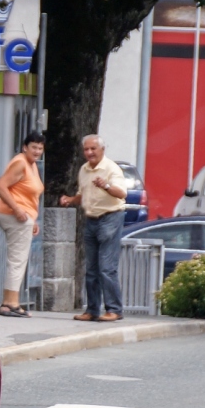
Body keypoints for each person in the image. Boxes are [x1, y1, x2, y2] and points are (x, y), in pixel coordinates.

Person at [59, 134, 128, 322]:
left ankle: (114, 309)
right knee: (91, 268)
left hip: (110, 217)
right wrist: (70, 200)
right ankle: (92, 310)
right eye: (86, 149)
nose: (89, 153)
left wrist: (105, 185)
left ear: (102, 150)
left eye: (93, 149)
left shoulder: (111, 169)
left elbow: (122, 193)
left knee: (107, 267)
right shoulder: (83, 169)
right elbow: (83, 194)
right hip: (91, 219)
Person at [0, 131, 45, 317]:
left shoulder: (32, 165)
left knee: (18, 258)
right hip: (15, 216)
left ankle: (9, 301)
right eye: (34, 147)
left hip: (24, 216)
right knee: (18, 259)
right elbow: (0, 186)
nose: (37, 151)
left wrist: (33, 220)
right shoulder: (21, 162)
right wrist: (17, 210)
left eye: (40, 148)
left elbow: (29, 195)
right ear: (25, 147)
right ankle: (11, 303)